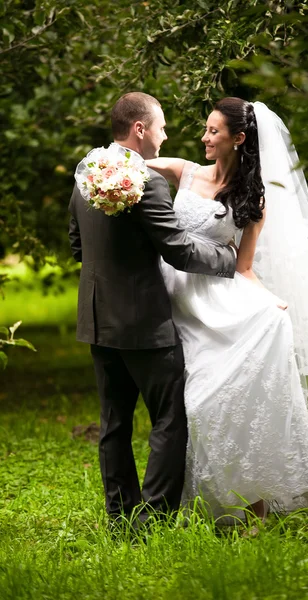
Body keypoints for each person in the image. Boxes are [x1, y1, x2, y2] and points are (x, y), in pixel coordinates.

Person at [146, 97, 308, 523]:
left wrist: (268, 301)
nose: (204, 137)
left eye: (213, 132)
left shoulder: (252, 199)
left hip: (215, 304)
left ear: (238, 139)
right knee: (198, 404)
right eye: (206, 129)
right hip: (174, 299)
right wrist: (104, 167)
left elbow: (245, 268)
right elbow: (133, 165)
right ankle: (217, 506)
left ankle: (251, 507)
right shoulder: (184, 171)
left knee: (215, 400)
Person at [68, 92, 237, 528]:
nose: (164, 137)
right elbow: (179, 251)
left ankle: (120, 519)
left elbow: (76, 244)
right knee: (169, 417)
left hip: (97, 316)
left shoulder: (86, 172)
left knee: (114, 423)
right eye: (160, 127)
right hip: (144, 321)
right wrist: (229, 259)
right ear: (140, 129)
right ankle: (154, 518)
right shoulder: (145, 180)